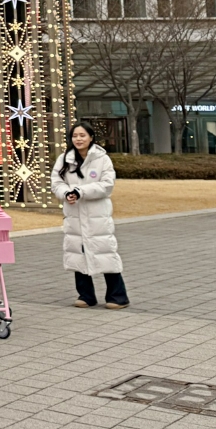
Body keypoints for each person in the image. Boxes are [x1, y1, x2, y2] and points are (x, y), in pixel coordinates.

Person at [51, 122, 130, 309]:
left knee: (105, 252)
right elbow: (56, 182)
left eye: (82, 135)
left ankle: (118, 296)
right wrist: (66, 193)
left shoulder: (102, 159)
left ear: (91, 137)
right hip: (74, 214)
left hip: (97, 215)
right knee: (78, 252)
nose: (78, 139)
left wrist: (81, 191)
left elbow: (107, 185)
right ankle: (86, 296)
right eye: (75, 136)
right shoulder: (64, 159)